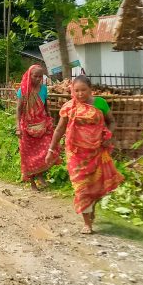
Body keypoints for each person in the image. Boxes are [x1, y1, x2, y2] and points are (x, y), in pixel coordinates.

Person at [46, 76, 123, 235]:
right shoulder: (69, 107)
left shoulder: (100, 103)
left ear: (91, 90)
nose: (80, 94)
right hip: (75, 154)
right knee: (81, 188)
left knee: (96, 185)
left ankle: (91, 206)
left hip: (97, 151)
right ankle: (87, 223)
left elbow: (112, 122)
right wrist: (51, 150)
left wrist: (108, 135)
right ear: (72, 91)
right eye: (76, 91)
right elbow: (60, 129)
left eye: (84, 90)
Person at [15, 65, 53, 189]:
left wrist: (49, 119)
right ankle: (32, 181)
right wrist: (18, 127)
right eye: (35, 76)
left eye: (40, 76)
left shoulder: (43, 89)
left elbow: (45, 106)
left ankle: (40, 175)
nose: (37, 79)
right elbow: (19, 110)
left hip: (41, 125)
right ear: (29, 75)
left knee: (46, 150)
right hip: (26, 126)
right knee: (28, 154)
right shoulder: (23, 90)